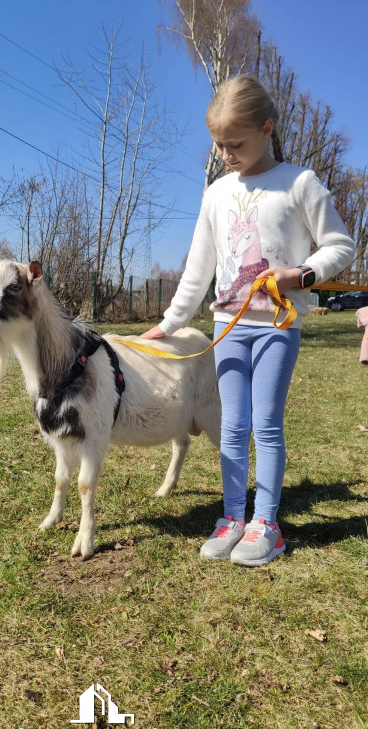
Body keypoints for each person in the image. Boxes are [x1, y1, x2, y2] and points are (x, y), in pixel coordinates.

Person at [140, 74, 355, 567]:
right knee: (232, 426)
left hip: (278, 327)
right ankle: (233, 517)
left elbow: (341, 246)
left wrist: (304, 273)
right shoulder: (216, 193)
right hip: (228, 328)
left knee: (267, 426)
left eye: (235, 143)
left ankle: (267, 525)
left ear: (267, 129)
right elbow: (200, 265)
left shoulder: (299, 183)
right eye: (218, 145)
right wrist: (170, 323)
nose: (225, 154)